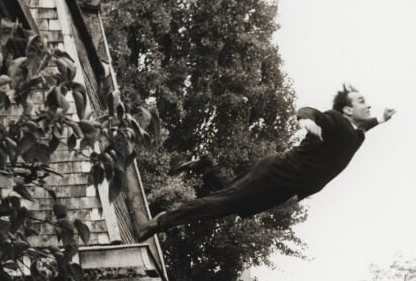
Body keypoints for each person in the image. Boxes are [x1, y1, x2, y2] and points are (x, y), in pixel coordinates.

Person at [137, 84, 396, 240]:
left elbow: (362, 129)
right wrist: (305, 120)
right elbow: (313, 112)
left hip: (285, 187)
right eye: (362, 101)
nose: (368, 105)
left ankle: (205, 165)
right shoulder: (337, 122)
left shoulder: (355, 135)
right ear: (348, 110)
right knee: (224, 203)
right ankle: (160, 222)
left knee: (231, 201)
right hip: (277, 173)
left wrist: (381, 120)